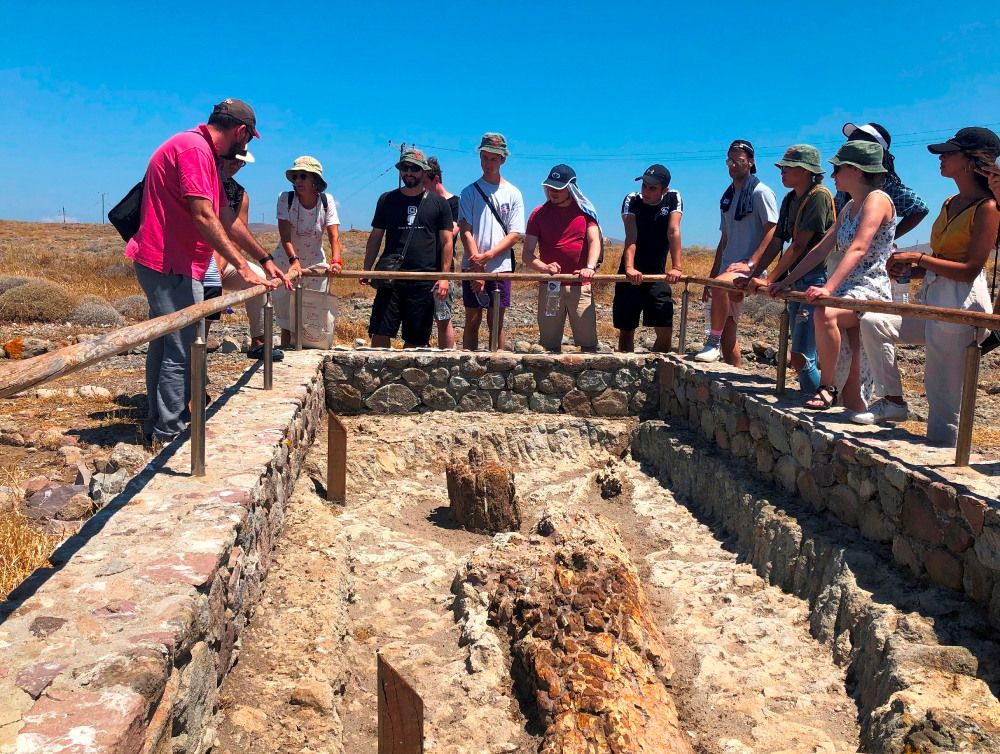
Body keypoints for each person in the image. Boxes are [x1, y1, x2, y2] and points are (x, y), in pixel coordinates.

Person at [125, 98, 282, 444]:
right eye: (248, 139)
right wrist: (242, 265)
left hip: (175, 262)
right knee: (182, 347)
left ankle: (158, 422)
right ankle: (171, 429)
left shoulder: (202, 152)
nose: (246, 146)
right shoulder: (194, 150)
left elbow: (227, 217)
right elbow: (204, 216)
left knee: (166, 344)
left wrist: (265, 258)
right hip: (169, 263)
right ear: (241, 131)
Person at [857, 128, 1000, 445]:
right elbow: (944, 259)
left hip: (962, 305)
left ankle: (943, 463)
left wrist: (919, 259)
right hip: (934, 298)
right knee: (875, 321)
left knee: (942, 393)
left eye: (950, 152)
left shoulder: (988, 208)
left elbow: (969, 269)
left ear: (971, 161)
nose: (941, 157)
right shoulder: (951, 201)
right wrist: (912, 269)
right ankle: (892, 400)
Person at [769, 141, 896, 412]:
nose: (833, 175)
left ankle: (826, 387)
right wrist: (785, 282)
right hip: (846, 287)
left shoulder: (877, 199)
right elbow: (819, 250)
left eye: (838, 168)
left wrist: (828, 287)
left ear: (856, 170)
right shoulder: (851, 205)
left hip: (868, 287)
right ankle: (848, 420)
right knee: (854, 375)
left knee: (824, 313)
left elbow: (860, 248)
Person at [740, 146, 836, 393]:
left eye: (787, 167)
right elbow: (776, 241)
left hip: (815, 278)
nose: (781, 172)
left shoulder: (819, 196)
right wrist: (755, 275)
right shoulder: (790, 199)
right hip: (795, 279)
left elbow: (800, 244)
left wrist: (770, 279)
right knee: (799, 354)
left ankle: (818, 402)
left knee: (802, 355)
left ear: (804, 171)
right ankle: (810, 397)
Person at [361, 148, 454, 347]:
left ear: (423, 171)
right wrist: (367, 269)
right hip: (390, 277)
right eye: (405, 168)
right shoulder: (387, 200)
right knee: (380, 331)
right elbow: (376, 236)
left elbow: (447, 242)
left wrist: (444, 277)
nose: (409, 172)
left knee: (417, 340)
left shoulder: (439, 203)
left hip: (423, 279)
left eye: (414, 168)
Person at [696, 140, 778, 364]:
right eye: (729, 161)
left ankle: (711, 342)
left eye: (739, 160)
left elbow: (772, 231)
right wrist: (712, 276)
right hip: (728, 266)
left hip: (747, 268)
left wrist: (751, 264)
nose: (733, 165)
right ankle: (733, 372)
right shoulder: (728, 196)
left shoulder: (761, 192)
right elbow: (725, 239)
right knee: (728, 332)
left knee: (721, 289)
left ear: (750, 162)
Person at [209, 150, 283, 361]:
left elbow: (236, 235)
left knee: (258, 277)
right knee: (207, 290)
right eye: (232, 159)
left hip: (223, 257)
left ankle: (258, 340)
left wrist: (221, 268)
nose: (235, 165)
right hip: (197, 255)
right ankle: (197, 347)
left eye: (240, 163)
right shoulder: (206, 181)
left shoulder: (240, 194)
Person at [522, 164, 601, 352]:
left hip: (579, 285)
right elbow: (527, 253)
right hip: (551, 286)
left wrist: (589, 267)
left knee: (588, 343)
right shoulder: (538, 214)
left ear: (571, 187)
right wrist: (544, 267)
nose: (552, 192)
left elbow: (594, 241)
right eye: (549, 188)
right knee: (549, 343)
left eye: (558, 188)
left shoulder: (585, 212)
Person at [458, 133, 525, 350]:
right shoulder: (468, 192)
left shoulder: (513, 193)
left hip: (500, 266)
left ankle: (498, 366)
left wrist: (489, 256)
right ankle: (468, 366)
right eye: (485, 158)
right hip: (473, 265)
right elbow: (465, 230)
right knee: (472, 319)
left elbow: (514, 233)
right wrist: (477, 267)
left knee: (496, 321)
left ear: (503, 160)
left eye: (493, 159)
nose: (488, 163)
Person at [272, 156, 344, 347]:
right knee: (287, 318)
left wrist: (336, 261)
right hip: (286, 261)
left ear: (315, 181)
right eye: (295, 176)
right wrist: (294, 260)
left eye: (303, 176)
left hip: (314, 263)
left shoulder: (326, 202)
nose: (297, 181)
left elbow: (333, 236)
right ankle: (287, 353)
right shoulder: (285, 199)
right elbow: (285, 235)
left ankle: (309, 350)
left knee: (312, 313)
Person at [613, 164, 683, 352]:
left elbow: (673, 230)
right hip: (630, 272)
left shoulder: (673, 197)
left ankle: (658, 371)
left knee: (665, 327)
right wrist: (629, 268)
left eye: (652, 188)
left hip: (657, 274)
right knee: (626, 329)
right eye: (644, 185)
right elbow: (631, 235)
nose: (646, 191)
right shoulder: (632, 199)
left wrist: (677, 267)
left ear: (664, 189)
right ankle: (626, 370)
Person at [835, 122, 928, 240]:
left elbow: (920, 209)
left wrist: (888, 239)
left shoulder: (886, 186)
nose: (849, 143)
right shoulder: (846, 181)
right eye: (850, 140)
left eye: (858, 141)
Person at [423, 156, 460, 349]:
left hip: (443, 268)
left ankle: (447, 358)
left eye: (425, 182)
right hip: (422, 266)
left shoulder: (454, 203)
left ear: (436, 179)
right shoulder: (422, 201)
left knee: (443, 317)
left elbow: (452, 231)